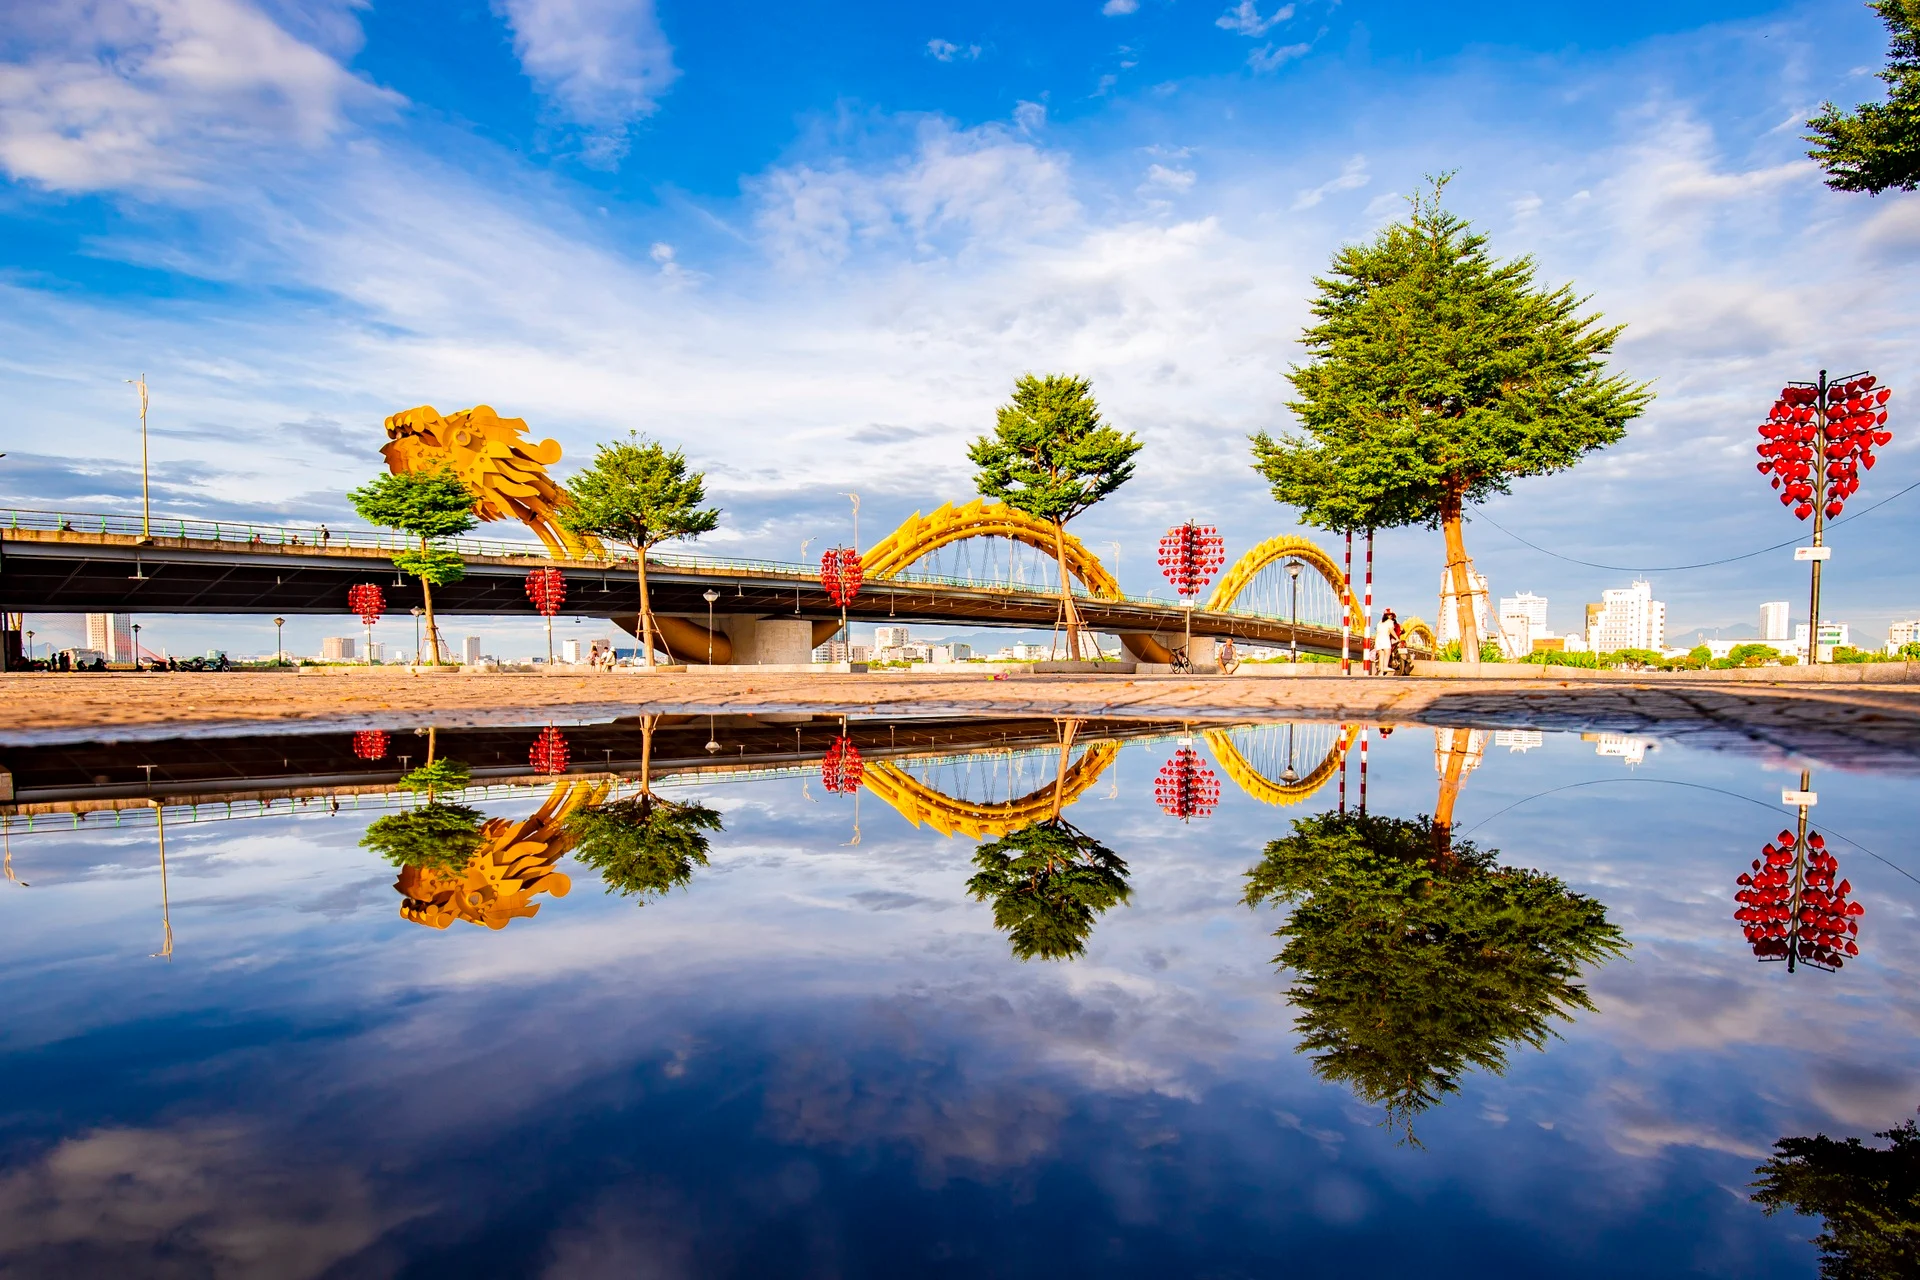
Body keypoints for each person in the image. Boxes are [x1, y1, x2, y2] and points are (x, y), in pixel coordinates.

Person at [1374, 608, 1403, 675]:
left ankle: (1381, 672)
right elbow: (1391, 631)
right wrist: (1397, 638)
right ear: (1387, 616)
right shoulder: (1390, 622)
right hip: (1385, 638)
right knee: (1388, 653)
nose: (1391, 616)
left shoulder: (1380, 622)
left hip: (1378, 639)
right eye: (1390, 615)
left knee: (1381, 655)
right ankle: (1385, 667)